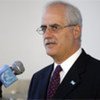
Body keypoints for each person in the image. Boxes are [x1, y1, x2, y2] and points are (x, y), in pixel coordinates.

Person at [27, 1, 100, 99]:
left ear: (76, 31)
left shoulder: (96, 74)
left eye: (55, 27)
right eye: (44, 28)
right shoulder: (37, 78)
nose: (47, 35)